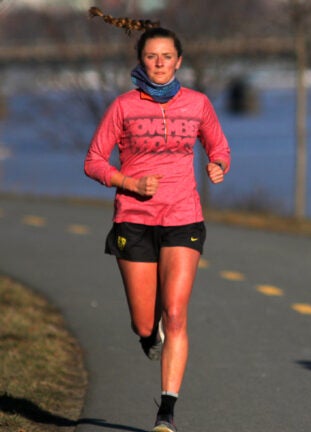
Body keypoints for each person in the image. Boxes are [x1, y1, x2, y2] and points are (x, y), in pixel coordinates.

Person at [84, 18, 231, 432]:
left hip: (184, 216)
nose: (160, 63)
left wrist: (219, 164)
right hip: (134, 219)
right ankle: (149, 338)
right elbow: (93, 161)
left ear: (179, 61)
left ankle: (166, 412)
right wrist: (129, 182)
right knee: (145, 322)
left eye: (167, 57)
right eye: (152, 56)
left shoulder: (198, 104)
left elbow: (218, 145)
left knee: (176, 311)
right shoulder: (123, 107)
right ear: (141, 61)